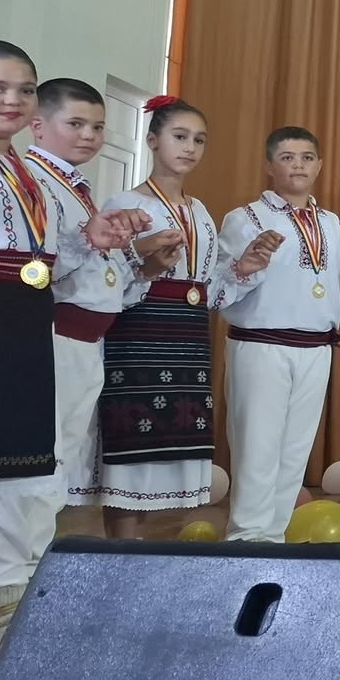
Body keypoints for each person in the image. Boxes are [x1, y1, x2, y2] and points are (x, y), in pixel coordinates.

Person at [0, 32, 140, 622]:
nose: (12, 101)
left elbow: (41, 265)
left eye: (24, 90)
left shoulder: (24, 172)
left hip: (19, 319)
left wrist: (87, 240)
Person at [214, 126, 340, 542]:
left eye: (307, 157)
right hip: (261, 345)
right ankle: (246, 539)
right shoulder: (245, 219)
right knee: (257, 448)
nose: (298, 165)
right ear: (269, 165)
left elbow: (339, 290)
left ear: (319, 166)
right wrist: (245, 267)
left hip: (316, 347)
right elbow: (220, 287)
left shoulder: (333, 224)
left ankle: (274, 538)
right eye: (288, 157)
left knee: (294, 452)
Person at [92, 97, 236, 536]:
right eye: (180, 136)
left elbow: (210, 285)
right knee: (133, 439)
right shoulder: (126, 203)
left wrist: (242, 269)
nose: (190, 147)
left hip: (189, 333)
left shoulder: (200, 212)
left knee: (174, 437)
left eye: (199, 140)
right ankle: (123, 548)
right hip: (140, 329)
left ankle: (150, 546)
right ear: (153, 140)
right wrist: (146, 262)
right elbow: (106, 273)